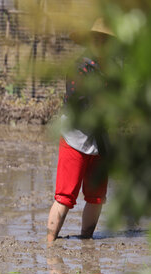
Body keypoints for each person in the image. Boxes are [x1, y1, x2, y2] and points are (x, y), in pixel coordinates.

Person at [46, 18, 114, 242]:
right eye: (98, 39)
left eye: (106, 40)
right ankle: (50, 243)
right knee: (65, 196)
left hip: (101, 138)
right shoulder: (80, 66)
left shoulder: (114, 67)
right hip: (76, 134)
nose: (101, 43)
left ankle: (86, 241)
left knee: (96, 197)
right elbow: (79, 103)